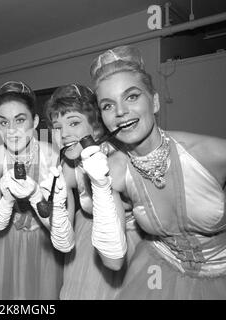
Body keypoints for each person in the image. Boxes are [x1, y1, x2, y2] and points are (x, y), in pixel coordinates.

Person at [82, 45, 226, 299]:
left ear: (155, 101)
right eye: (107, 105)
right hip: (158, 275)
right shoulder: (113, 170)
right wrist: (99, 184)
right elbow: (113, 261)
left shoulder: (212, 154)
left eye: (132, 96)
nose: (120, 112)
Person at [44, 83, 143, 299]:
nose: (64, 134)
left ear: (96, 127)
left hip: (125, 244)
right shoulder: (68, 165)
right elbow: (62, 234)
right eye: (57, 127)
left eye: (74, 123)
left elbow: (115, 258)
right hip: (86, 236)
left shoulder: (113, 164)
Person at [0, 81, 68, 300]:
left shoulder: (52, 156)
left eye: (20, 120)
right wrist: (8, 200)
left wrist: (35, 195)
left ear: (35, 121)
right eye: (3, 122)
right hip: (5, 243)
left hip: (44, 242)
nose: (11, 130)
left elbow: (63, 221)